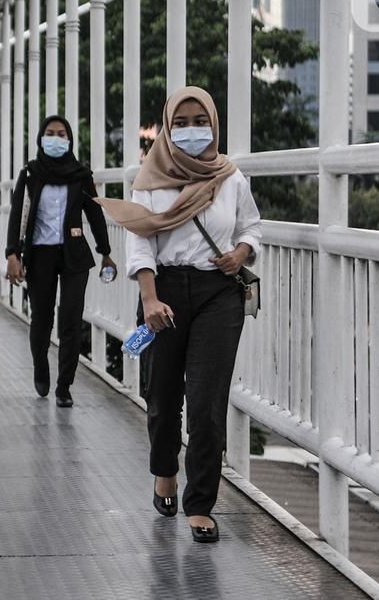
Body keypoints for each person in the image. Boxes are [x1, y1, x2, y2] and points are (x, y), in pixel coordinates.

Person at [96, 86, 262, 544]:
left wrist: (242, 252)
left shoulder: (230, 177)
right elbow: (139, 239)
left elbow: (251, 225)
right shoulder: (149, 180)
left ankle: (201, 503)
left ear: (214, 123)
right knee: (163, 396)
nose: (192, 130)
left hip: (217, 294)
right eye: (182, 122)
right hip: (162, 291)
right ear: (167, 127)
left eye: (201, 121)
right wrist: (148, 299)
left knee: (207, 404)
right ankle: (164, 471)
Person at [5, 115, 116, 407]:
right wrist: (12, 253)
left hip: (74, 255)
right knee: (41, 319)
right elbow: (17, 214)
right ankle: (40, 365)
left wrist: (106, 251)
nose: (56, 138)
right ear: (41, 138)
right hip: (39, 254)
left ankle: (64, 386)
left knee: (70, 319)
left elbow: (94, 214)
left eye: (62, 134)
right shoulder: (30, 174)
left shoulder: (80, 175)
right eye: (51, 133)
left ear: (69, 141)